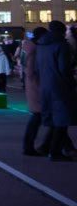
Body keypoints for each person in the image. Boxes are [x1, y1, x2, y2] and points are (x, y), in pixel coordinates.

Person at [35, 20, 76, 162]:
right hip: (59, 87)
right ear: (61, 31)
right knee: (62, 120)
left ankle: (47, 147)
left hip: (45, 86)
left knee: (54, 120)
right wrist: (71, 83)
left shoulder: (40, 46)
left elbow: (37, 68)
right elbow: (64, 69)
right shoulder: (61, 45)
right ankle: (55, 152)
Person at [21, 27, 46, 155]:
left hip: (31, 85)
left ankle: (41, 146)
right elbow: (30, 71)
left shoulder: (26, 47)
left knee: (41, 117)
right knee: (40, 117)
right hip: (36, 86)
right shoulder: (33, 49)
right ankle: (29, 146)